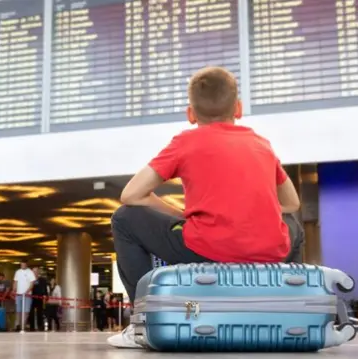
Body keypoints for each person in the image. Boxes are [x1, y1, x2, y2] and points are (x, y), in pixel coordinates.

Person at [106, 66, 301, 348]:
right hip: (270, 253)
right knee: (293, 224)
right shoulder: (261, 144)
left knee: (124, 219)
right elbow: (291, 202)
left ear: (191, 114)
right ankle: (289, 311)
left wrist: (180, 214)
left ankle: (145, 322)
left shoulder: (185, 141)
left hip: (206, 249)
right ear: (238, 108)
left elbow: (131, 195)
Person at [13, 260, 36, 331]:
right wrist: (14, 290)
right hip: (18, 294)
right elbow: (15, 281)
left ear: (26, 264)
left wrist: (27, 291)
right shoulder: (18, 272)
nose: (22, 265)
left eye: (23, 264)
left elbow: (32, 283)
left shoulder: (30, 272)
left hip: (27, 295)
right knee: (18, 311)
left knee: (26, 311)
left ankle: (23, 325)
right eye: (21, 264)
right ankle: (19, 325)